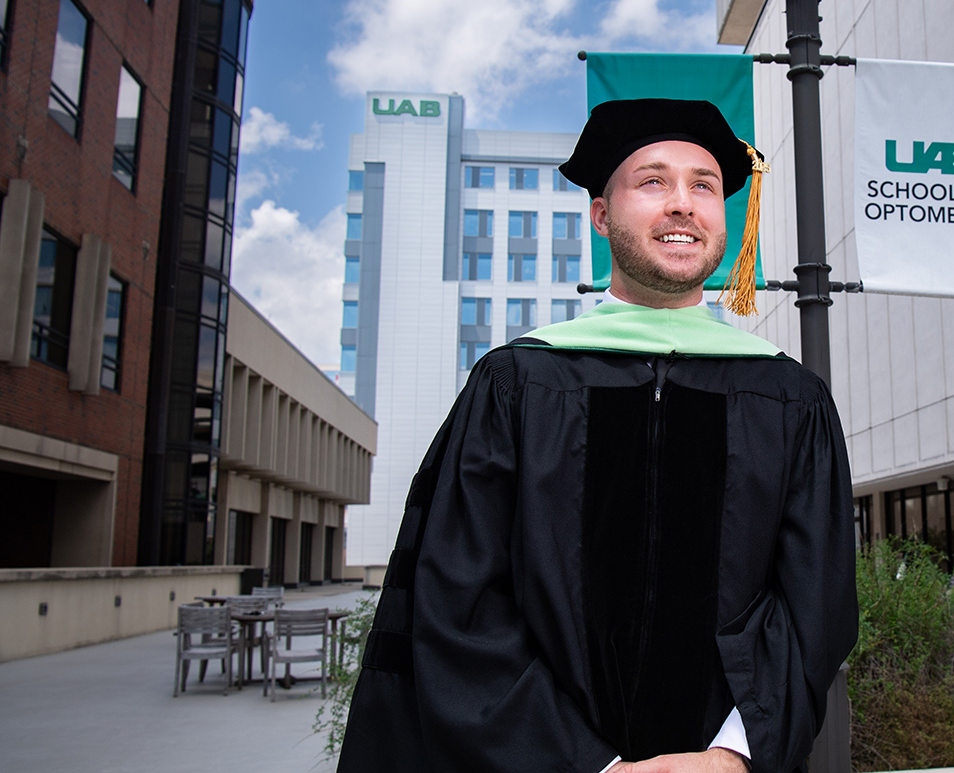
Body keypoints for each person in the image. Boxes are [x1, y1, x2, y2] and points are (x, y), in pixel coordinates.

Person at [337, 99, 858, 773]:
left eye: (704, 185)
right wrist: (590, 764)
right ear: (601, 216)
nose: (683, 203)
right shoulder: (518, 383)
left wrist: (733, 754)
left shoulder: (788, 397)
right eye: (653, 181)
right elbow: (457, 598)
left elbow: (814, 602)